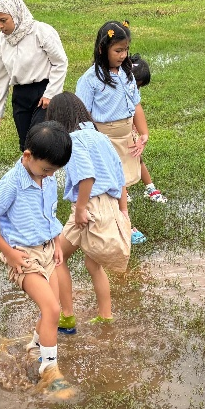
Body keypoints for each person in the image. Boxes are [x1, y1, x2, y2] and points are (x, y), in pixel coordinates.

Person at [0, 121, 75, 396]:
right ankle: (50, 371)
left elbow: (50, 213)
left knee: (50, 309)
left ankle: (34, 348)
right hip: (24, 256)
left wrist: (56, 241)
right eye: (46, 169)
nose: (50, 175)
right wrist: (9, 254)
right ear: (27, 156)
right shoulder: (11, 185)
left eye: (55, 170)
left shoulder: (47, 177)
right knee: (53, 309)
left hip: (46, 250)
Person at [46, 93, 131, 330]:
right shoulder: (99, 137)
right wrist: (123, 211)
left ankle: (67, 316)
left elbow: (86, 177)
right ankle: (105, 315)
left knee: (56, 257)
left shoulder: (73, 140)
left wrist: (81, 209)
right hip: (109, 205)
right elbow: (120, 176)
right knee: (93, 265)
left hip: (90, 207)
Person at [75, 21, 148, 244]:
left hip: (127, 136)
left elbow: (136, 105)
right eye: (117, 50)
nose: (123, 55)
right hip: (104, 138)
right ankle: (123, 223)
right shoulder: (90, 79)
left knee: (122, 180)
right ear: (101, 49)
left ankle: (120, 220)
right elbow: (83, 114)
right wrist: (93, 142)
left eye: (125, 50)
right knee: (114, 182)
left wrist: (143, 133)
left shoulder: (127, 74)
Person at [0, 0, 69, 152]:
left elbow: (60, 62)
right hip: (20, 96)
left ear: (16, 14)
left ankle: (47, 175)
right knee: (26, 146)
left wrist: (50, 94)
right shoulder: (1, 41)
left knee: (41, 143)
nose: (0, 26)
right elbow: (0, 77)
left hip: (43, 94)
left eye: (3, 20)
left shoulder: (41, 32)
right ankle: (31, 177)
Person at [130, 54, 166, 203]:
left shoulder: (133, 89)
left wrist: (136, 128)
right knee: (117, 162)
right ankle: (122, 191)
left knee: (137, 157)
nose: (138, 89)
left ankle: (150, 188)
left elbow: (134, 109)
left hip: (129, 128)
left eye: (140, 86)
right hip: (115, 131)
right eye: (137, 85)